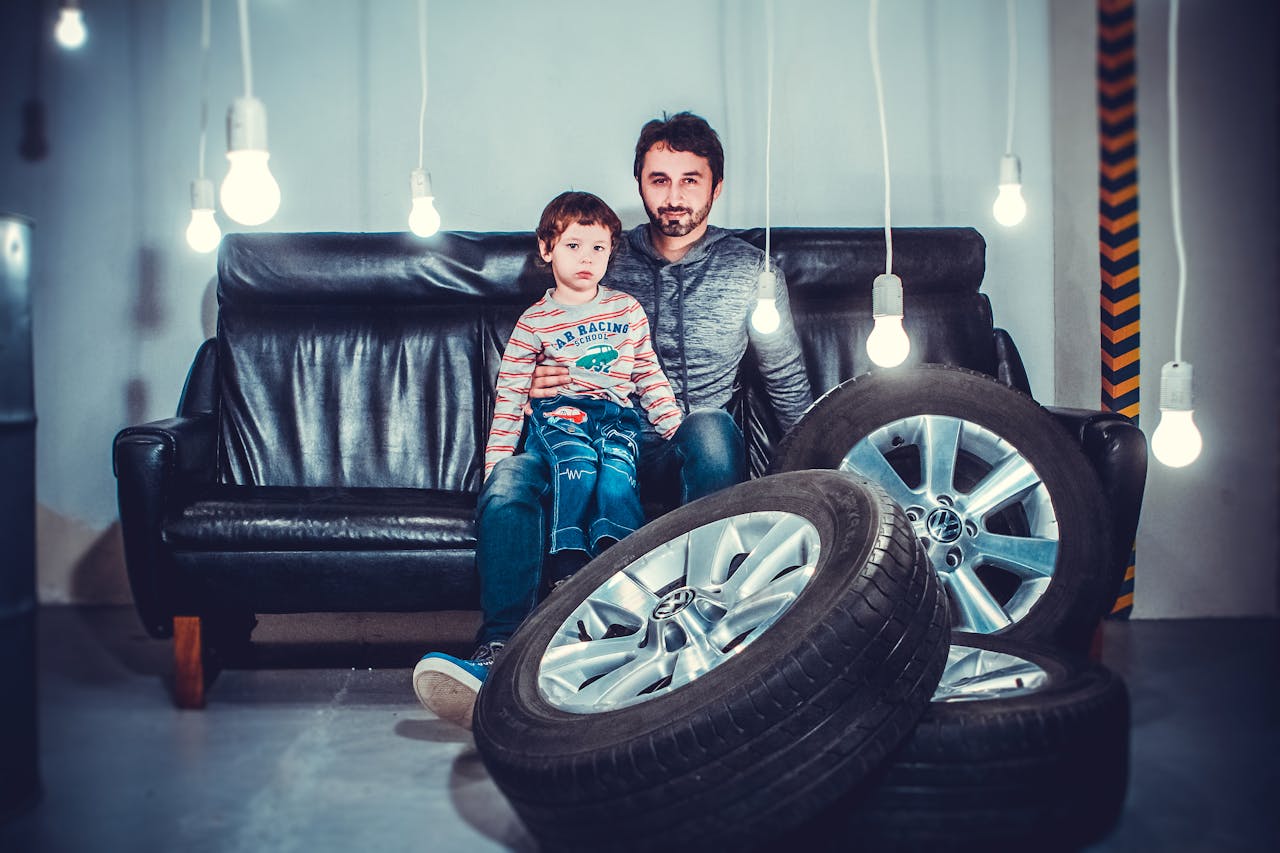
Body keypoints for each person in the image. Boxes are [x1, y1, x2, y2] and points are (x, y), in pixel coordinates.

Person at [413, 112, 813, 729]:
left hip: (681, 447)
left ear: (716, 188)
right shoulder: (601, 255)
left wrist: (818, 471)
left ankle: (714, 636)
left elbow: (785, 379)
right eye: (659, 180)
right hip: (590, 438)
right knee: (511, 479)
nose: (674, 196)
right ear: (639, 185)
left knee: (709, 426)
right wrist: (541, 387)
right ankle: (499, 656)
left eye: (690, 180)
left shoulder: (749, 272)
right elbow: (542, 345)